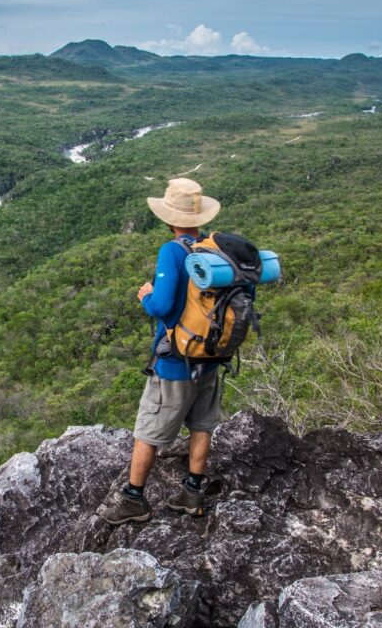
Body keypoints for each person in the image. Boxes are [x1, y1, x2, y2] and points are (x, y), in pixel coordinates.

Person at [97, 177, 224, 525]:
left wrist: (146, 297)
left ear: (169, 217)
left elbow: (164, 305)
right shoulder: (212, 249)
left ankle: (134, 499)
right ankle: (192, 493)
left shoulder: (173, 250)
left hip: (175, 361)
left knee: (148, 431)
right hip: (210, 358)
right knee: (201, 425)